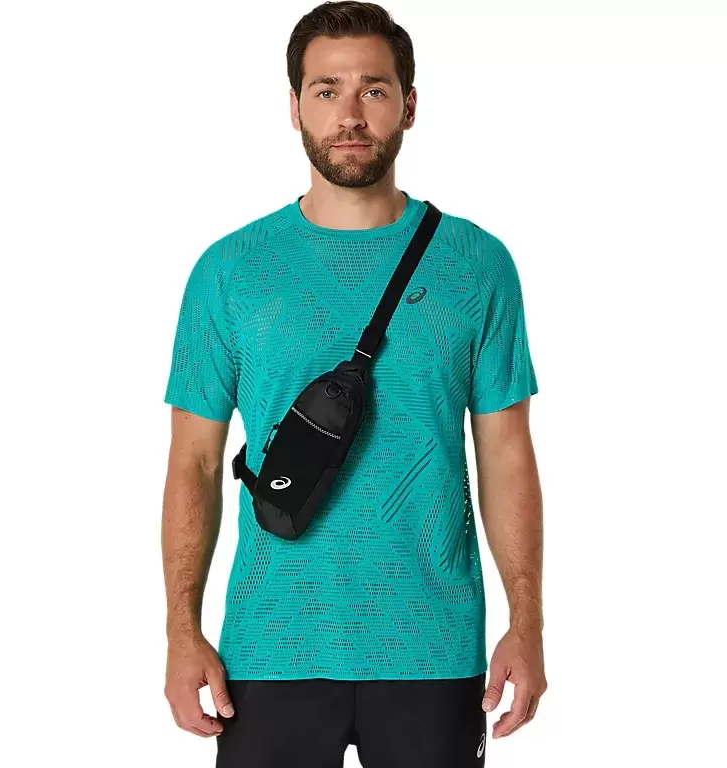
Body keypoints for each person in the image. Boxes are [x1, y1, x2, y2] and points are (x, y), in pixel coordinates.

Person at [160, 2, 546, 765]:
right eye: (326, 89)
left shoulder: (477, 265)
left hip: (434, 648)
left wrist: (527, 624)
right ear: (294, 106)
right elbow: (193, 462)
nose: (350, 115)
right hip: (268, 648)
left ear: (410, 103)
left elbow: (506, 456)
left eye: (373, 89)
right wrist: (181, 634)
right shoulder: (231, 270)